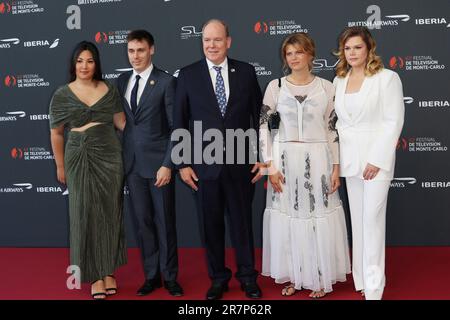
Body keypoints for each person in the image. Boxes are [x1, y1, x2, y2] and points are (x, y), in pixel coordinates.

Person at [173, 19, 264, 300]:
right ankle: (218, 278)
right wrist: (183, 163)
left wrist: (262, 158)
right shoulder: (188, 75)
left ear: (229, 41)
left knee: (242, 224)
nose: (211, 45)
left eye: (217, 39)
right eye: (206, 40)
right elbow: (179, 121)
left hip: (241, 164)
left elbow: (259, 117)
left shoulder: (246, 72)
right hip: (204, 167)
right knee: (211, 225)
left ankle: (248, 277)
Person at [260, 33, 351, 298]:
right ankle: (295, 277)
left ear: (310, 54)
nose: (294, 58)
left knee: (316, 217)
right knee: (290, 217)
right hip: (285, 160)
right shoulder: (275, 86)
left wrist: (336, 167)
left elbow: (333, 130)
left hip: (319, 158)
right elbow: (263, 127)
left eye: (299, 52)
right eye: (289, 53)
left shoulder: (327, 87)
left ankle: (320, 277)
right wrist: (270, 166)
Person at [49, 41, 127, 300]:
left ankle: (109, 272)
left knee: (110, 213)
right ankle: (94, 275)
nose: (84, 65)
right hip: (78, 156)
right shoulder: (62, 94)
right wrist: (60, 165)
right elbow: (57, 134)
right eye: (80, 60)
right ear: (74, 64)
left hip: (109, 156)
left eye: (90, 60)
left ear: (97, 64)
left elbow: (122, 124)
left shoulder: (109, 89)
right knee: (84, 214)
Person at [333, 26, 405, 300]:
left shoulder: (387, 78)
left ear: (369, 49)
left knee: (373, 221)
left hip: (376, 160)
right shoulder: (340, 79)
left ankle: (375, 287)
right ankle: (361, 280)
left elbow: (393, 121)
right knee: (359, 222)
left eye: (357, 47)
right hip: (350, 160)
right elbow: (340, 123)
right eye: (347, 48)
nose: (352, 53)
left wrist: (377, 158)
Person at [117, 30, 183, 297]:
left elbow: (176, 128)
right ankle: (151, 275)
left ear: (151, 50)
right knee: (143, 223)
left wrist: (168, 164)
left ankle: (170, 277)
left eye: (140, 50)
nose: (135, 56)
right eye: (131, 51)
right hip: (132, 165)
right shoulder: (122, 81)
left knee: (165, 222)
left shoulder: (166, 82)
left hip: (159, 166)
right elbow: (124, 121)